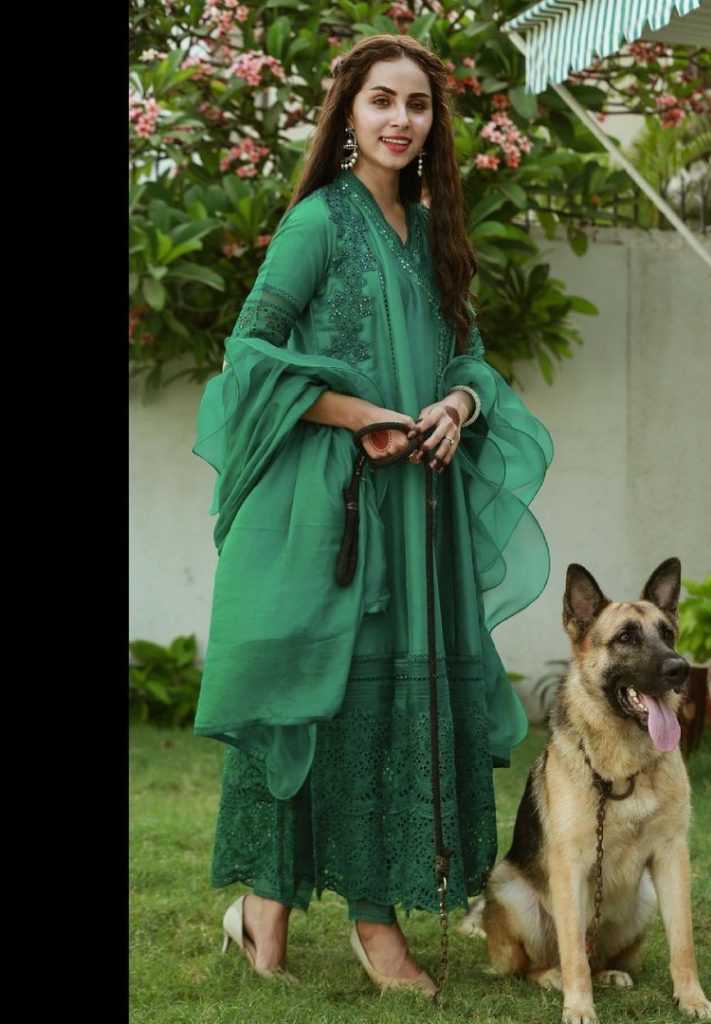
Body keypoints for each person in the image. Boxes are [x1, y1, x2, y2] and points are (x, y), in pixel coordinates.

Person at [192, 33, 553, 995]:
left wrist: (455, 407)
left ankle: (313, 914)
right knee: (323, 704)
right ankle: (321, 914)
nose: (402, 119)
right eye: (382, 101)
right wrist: (364, 416)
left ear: (435, 124)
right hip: (334, 515)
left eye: (419, 105)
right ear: (347, 114)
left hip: (419, 515)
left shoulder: (434, 236)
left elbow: (470, 362)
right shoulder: (318, 223)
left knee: (395, 707)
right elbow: (250, 358)